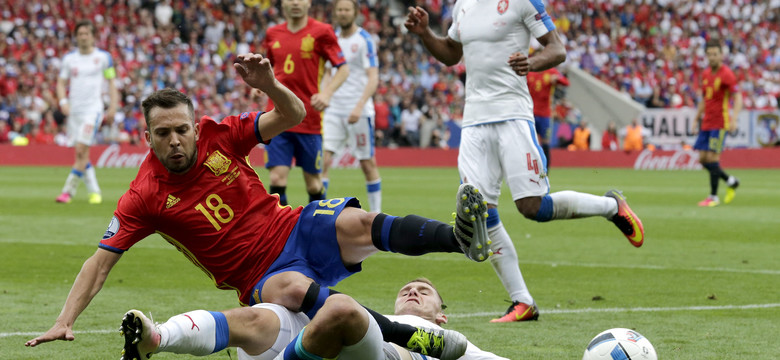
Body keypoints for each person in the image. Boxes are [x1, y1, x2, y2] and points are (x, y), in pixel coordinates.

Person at [25, 53, 491, 360]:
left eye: (181, 130)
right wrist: (64, 321)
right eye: (162, 133)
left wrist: (270, 82)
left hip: (293, 226)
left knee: (358, 221)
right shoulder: (144, 195)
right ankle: (401, 335)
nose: (175, 140)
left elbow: (293, 115)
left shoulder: (220, 134)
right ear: (147, 138)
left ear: (194, 125)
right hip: (258, 274)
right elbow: (100, 262)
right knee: (291, 287)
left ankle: (460, 239)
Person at [405, 4, 644, 323]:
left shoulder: (523, 2)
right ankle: (523, 302)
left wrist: (530, 62)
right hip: (474, 120)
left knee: (533, 207)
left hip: (513, 115)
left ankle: (612, 207)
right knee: (480, 212)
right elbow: (451, 53)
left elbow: (557, 49)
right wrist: (424, 34)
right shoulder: (463, 4)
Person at [118, 279, 504, 360]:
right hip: (328, 344)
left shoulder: (447, 338)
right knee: (265, 314)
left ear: (441, 314)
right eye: (406, 288)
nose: (413, 292)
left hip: (379, 355)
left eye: (424, 291)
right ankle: (158, 338)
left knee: (340, 308)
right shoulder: (378, 317)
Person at [262, 0, 350, 206]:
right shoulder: (272, 33)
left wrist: (326, 94)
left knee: (312, 184)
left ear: (308, 3)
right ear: (282, 3)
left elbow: (343, 68)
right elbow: (271, 68)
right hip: (277, 116)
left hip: (309, 118)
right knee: (276, 178)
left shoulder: (322, 31)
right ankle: (281, 233)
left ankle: (319, 227)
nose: (295, 2)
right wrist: (261, 85)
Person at [321, 0, 382, 212]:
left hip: (358, 110)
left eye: (347, 9)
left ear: (355, 13)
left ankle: (376, 216)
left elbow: (373, 77)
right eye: (340, 10)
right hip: (333, 110)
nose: (343, 13)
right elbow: (328, 73)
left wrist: (359, 106)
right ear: (335, 13)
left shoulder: (365, 39)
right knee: (323, 161)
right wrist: (324, 96)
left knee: (367, 164)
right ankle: (317, 214)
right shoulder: (332, 39)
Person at [54, 20, 119, 204]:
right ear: (76, 37)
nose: (83, 37)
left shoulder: (104, 58)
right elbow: (60, 82)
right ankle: (95, 192)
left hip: (93, 110)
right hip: (74, 111)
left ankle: (68, 191)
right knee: (81, 154)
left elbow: (112, 82)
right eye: (80, 34)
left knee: (82, 149)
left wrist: (113, 106)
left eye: (86, 33)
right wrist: (62, 101)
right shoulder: (69, 59)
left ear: (93, 36)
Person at [692, 39, 741, 207]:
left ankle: (713, 197)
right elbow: (704, 100)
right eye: (709, 54)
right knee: (703, 159)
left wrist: (734, 119)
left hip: (720, 122)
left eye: (715, 54)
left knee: (713, 157)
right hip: (706, 122)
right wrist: (695, 119)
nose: (712, 57)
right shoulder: (705, 74)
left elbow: (738, 97)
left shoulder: (727, 74)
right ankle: (731, 181)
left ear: (721, 55)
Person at [527, 64, 569, 167]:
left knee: (545, 142)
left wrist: (557, 78)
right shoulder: (530, 73)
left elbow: (566, 82)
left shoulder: (551, 72)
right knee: (530, 142)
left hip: (545, 114)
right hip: (530, 113)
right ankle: (531, 168)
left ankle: (546, 170)